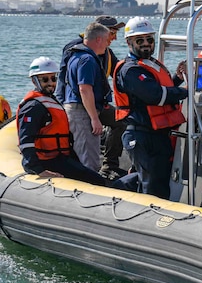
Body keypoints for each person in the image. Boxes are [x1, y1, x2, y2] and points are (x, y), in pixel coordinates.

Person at [113, 17, 188, 200]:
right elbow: (155, 95)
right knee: (153, 185)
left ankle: (118, 190)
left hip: (159, 134)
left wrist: (178, 79)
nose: (146, 44)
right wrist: (185, 91)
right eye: (140, 40)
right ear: (129, 42)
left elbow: (163, 88)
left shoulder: (151, 64)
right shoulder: (130, 70)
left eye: (150, 40)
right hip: (142, 135)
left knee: (157, 178)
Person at [17, 56, 108, 185]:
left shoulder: (51, 101)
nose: (50, 83)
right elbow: (26, 141)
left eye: (53, 78)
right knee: (97, 181)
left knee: (95, 179)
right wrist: (39, 170)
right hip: (47, 162)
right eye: (45, 79)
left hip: (60, 158)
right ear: (34, 81)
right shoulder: (33, 107)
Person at [57, 15, 127, 179]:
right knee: (86, 153)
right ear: (100, 34)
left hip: (96, 104)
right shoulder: (79, 51)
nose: (115, 38)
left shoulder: (106, 52)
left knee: (121, 120)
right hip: (79, 105)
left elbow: (120, 73)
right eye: (113, 32)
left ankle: (109, 165)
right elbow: (70, 81)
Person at [62, 22, 112, 172]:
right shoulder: (88, 60)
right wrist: (94, 119)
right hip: (82, 112)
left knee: (82, 155)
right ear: (98, 40)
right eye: (106, 40)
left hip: (75, 109)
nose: (107, 44)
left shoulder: (76, 55)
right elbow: (85, 89)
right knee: (90, 161)